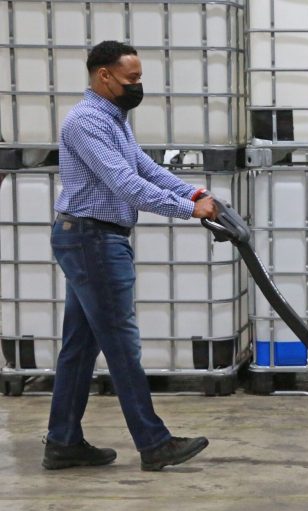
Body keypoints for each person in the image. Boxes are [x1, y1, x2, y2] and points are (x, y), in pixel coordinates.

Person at [42, 41, 217, 471]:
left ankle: (63, 442)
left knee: (80, 347)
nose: (137, 86)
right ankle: (154, 443)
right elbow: (126, 184)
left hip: (91, 239)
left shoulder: (112, 119)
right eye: (132, 79)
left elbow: (144, 168)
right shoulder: (86, 122)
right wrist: (188, 209)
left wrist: (193, 191)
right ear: (104, 75)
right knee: (121, 343)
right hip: (93, 240)